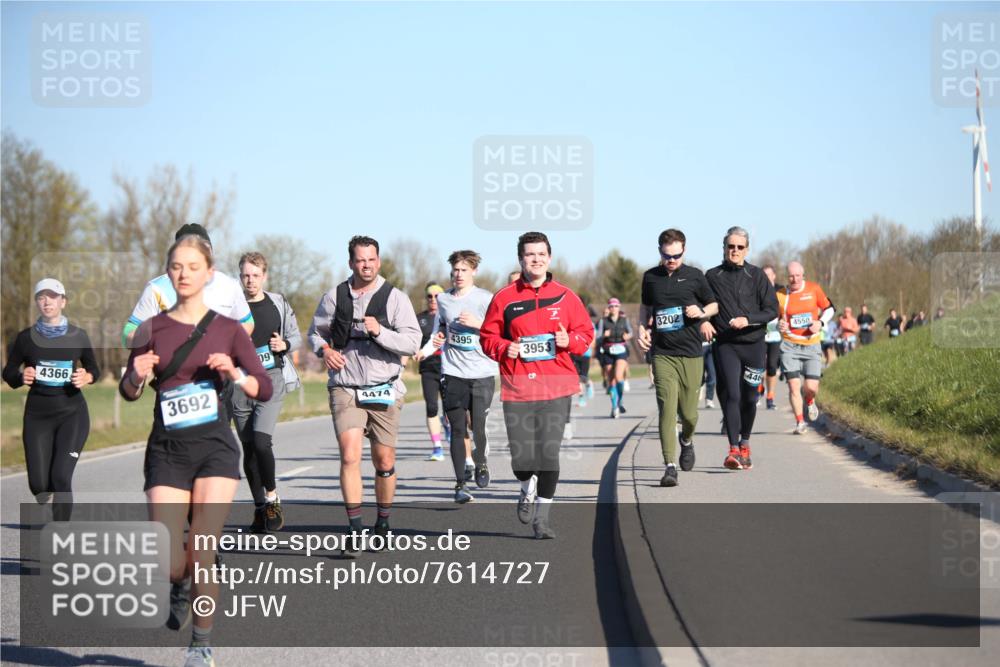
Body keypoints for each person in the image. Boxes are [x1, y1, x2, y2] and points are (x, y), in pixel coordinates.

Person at [119, 235, 272, 667]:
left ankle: (201, 645)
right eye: (175, 266)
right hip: (167, 449)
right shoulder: (153, 329)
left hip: (214, 450)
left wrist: (236, 373)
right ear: (168, 273)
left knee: (202, 548)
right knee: (170, 559)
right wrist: (135, 374)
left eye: (192, 266)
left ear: (209, 274)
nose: (183, 273)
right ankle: (177, 583)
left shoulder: (227, 328)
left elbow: (264, 386)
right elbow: (129, 392)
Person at [307, 236, 421, 543]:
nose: (366, 265)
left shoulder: (395, 298)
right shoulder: (334, 297)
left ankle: (382, 522)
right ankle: (355, 529)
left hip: (385, 388)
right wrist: (325, 351)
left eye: (371, 259)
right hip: (346, 387)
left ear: (378, 261)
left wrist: (380, 331)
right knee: (349, 456)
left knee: (383, 461)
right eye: (360, 260)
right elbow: (315, 335)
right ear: (350, 263)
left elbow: (412, 342)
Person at [480, 232, 593, 538]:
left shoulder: (566, 297)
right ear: (521, 259)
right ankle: (525, 485)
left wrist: (570, 340)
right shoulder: (504, 298)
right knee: (522, 460)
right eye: (530, 254)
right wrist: (506, 348)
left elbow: (586, 334)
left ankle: (542, 518)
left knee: (549, 454)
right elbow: (487, 338)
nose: (536, 259)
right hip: (518, 388)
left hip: (556, 386)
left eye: (541, 254)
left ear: (550, 258)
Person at [3, 279, 100, 522]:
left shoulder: (78, 336)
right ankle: (42, 492)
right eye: (42, 297)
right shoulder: (26, 338)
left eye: (53, 296)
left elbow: (94, 370)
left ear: (63, 301)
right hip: (38, 416)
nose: (47, 301)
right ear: (37, 302)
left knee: (61, 477)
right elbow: (8, 372)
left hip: (72, 414)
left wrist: (86, 376)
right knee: (39, 484)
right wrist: (19, 376)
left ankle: (60, 536)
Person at [637, 229, 718, 487]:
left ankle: (687, 440)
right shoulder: (650, 277)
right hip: (663, 353)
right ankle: (669, 466)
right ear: (660, 251)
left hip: (692, 353)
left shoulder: (695, 276)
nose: (672, 260)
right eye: (667, 255)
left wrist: (702, 312)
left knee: (689, 414)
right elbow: (645, 307)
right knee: (666, 411)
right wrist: (641, 327)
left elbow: (714, 305)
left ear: (684, 251)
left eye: (677, 255)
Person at [420, 250, 499, 503]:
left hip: (482, 372)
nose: (458, 274)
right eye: (455, 270)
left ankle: (482, 462)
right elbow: (438, 331)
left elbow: (499, 332)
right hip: (453, 371)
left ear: (474, 271)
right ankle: (460, 485)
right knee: (456, 428)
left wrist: (478, 324)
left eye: (463, 270)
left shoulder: (486, 299)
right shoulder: (443, 300)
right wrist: (429, 346)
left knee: (477, 426)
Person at [233, 252, 302, 534]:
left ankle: (272, 498)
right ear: (240, 277)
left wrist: (283, 344)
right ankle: (260, 507)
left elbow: (296, 338)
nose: (250, 280)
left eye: (255, 275)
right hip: (237, 384)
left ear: (264, 276)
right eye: (245, 275)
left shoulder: (277, 303)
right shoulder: (230, 306)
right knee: (248, 450)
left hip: (269, 379)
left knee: (262, 442)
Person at [703, 227, 778, 471]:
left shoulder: (756, 275)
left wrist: (748, 318)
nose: (734, 251)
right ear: (724, 248)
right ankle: (733, 449)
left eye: (739, 247)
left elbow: (771, 310)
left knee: (750, 396)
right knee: (732, 395)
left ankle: (745, 442)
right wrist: (704, 321)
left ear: (747, 249)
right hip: (726, 345)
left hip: (754, 345)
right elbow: (700, 304)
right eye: (730, 246)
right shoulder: (712, 276)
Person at [122, 224, 253, 347]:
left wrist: (228, 345)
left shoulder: (229, 285)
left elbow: (247, 322)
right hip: (172, 368)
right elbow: (127, 334)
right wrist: (158, 339)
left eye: (206, 249)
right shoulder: (157, 289)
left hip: (217, 369)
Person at [776, 261, 835, 435]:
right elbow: (771, 319)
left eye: (797, 276)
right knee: (794, 386)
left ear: (803, 275)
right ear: (787, 277)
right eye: (791, 276)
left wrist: (821, 322)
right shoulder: (780, 295)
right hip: (789, 345)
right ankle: (800, 422)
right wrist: (778, 324)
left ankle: (809, 400)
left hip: (811, 345)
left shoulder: (814, 289)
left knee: (811, 387)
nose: (794, 279)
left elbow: (829, 309)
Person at [414, 283, 447, 461]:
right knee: (432, 407)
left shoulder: (449, 316)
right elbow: (411, 342)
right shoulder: (419, 319)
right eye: (429, 296)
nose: (433, 299)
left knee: (451, 408)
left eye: (437, 296)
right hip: (428, 367)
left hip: (449, 367)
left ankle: (448, 424)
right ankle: (437, 447)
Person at [596, 298, 633, 418]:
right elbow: (597, 337)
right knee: (611, 380)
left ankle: (620, 400)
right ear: (609, 308)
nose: (613, 308)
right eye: (611, 306)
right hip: (607, 350)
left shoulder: (624, 320)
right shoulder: (603, 321)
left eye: (616, 306)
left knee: (618, 376)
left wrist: (628, 336)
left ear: (619, 307)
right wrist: (603, 335)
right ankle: (614, 407)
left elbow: (631, 332)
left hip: (621, 349)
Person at [761, 265, 783, 410]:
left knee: (772, 367)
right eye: (764, 275)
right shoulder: (757, 290)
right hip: (761, 334)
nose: (767, 277)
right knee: (758, 366)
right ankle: (758, 389)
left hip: (775, 334)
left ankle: (770, 396)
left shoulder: (781, 291)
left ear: (774, 276)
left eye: (769, 274)